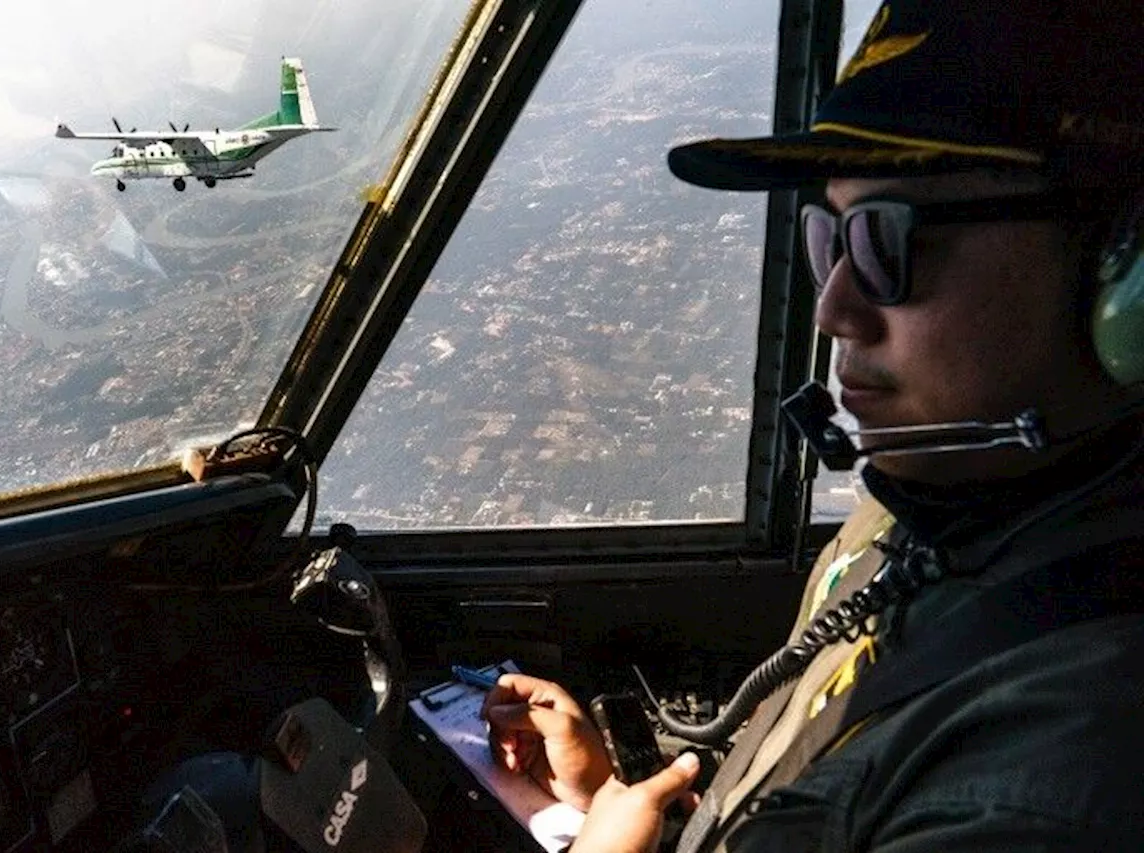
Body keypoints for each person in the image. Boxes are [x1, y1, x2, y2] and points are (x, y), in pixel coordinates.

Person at [481, 1, 1144, 850]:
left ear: (1124, 275)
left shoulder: (1049, 781)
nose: (834, 308)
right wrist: (606, 801)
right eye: (826, 238)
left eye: (884, 242)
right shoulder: (917, 521)